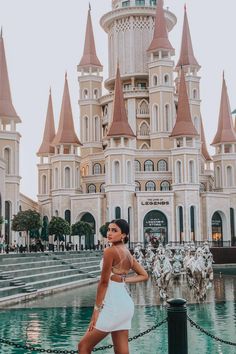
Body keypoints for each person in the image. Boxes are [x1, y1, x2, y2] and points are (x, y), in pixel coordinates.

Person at [78, 219, 148, 354]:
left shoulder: (109, 251)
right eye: (109, 229)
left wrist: (96, 312)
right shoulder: (128, 253)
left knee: (83, 347)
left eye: (114, 230)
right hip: (126, 306)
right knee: (121, 351)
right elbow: (144, 275)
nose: (109, 233)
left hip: (113, 306)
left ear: (124, 235)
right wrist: (124, 280)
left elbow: (103, 283)